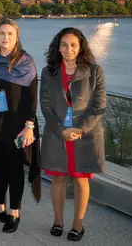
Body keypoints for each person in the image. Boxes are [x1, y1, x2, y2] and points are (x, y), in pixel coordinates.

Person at [40, 28, 105, 242]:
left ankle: (78, 225)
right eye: (64, 45)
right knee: (58, 178)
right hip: (58, 134)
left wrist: (79, 129)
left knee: (80, 180)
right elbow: (46, 106)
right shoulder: (48, 73)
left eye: (73, 45)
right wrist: (62, 131)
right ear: (58, 48)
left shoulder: (95, 71)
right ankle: (58, 222)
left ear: (81, 47)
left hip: (83, 135)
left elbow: (98, 106)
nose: (69, 49)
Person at [0, 18, 40, 233]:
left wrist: (29, 126)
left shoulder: (25, 62)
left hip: (18, 123)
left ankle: (14, 212)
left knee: (14, 168)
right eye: (2, 33)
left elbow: (32, 97)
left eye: (10, 34)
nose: (5, 38)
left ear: (16, 37)